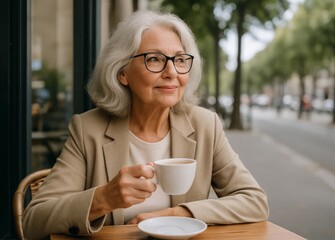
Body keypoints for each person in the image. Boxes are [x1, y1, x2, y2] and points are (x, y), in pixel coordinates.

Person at [23, 10, 269, 239]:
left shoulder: (206, 125)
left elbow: (254, 201)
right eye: (154, 59)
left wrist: (179, 214)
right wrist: (104, 198)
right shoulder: (88, 130)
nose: (172, 71)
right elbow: (34, 220)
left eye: (180, 60)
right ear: (122, 73)